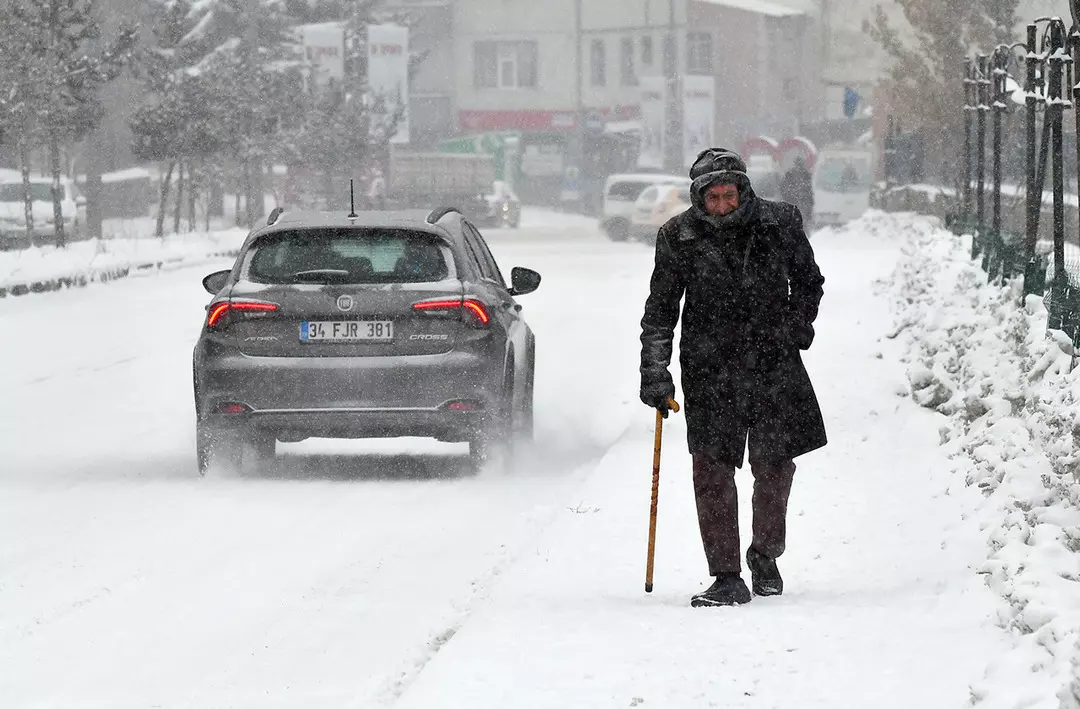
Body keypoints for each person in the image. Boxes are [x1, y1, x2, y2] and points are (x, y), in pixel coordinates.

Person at [638, 148, 827, 607]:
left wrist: (798, 326)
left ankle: (765, 555)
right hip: (709, 369)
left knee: (775, 465)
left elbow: (808, 280)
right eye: (713, 197)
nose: (721, 205)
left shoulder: (779, 223)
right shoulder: (677, 235)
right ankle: (726, 576)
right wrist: (655, 372)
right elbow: (661, 311)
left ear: (743, 190)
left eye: (729, 195)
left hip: (772, 363)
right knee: (711, 469)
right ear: (698, 197)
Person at [780, 156, 815, 232]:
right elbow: (810, 190)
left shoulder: (789, 174)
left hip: (794, 202)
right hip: (802, 202)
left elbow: (783, 188)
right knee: (802, 220)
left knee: (793, 220)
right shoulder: (806, 175)